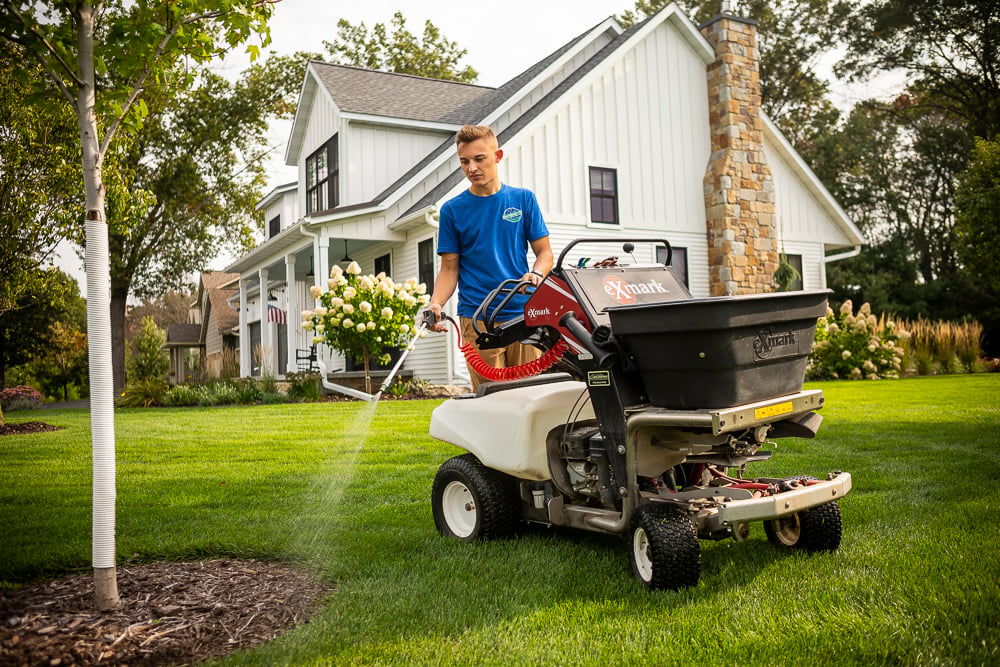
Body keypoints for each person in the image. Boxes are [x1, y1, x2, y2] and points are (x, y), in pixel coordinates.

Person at [427, 124, 554, 388]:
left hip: (523, 313)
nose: (471, 168)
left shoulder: (523, 200)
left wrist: (537, 274)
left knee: (529, 397)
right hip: (477, 318)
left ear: (497, 156)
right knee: (492, 399)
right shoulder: (453, 210)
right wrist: (436, 303)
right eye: (464, 161)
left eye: (479, 159)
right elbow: (449, 269)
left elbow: (544, 253)